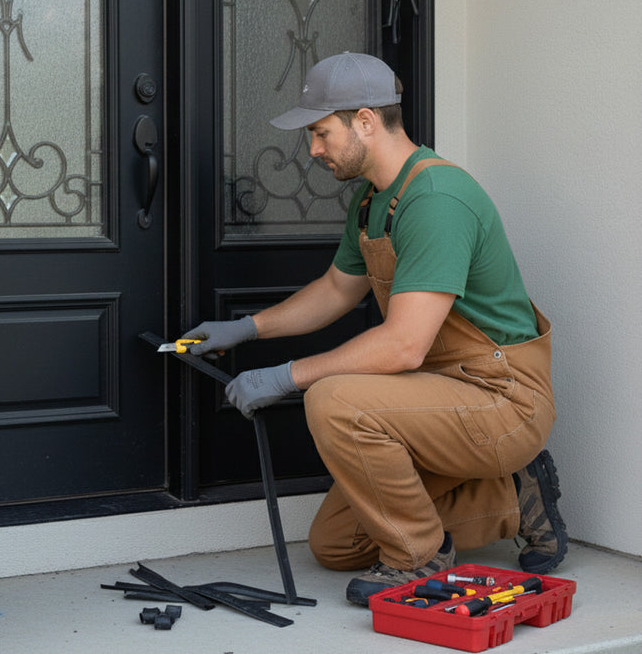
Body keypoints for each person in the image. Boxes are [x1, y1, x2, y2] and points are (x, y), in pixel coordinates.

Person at [182, 52, 567, 606]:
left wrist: (286, 376)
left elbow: (405, 345)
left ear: (365, 121)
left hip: (502, 399)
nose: (313, 150)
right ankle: (515, 499)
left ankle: (418, 556)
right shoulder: (372, 201)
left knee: (334, 400)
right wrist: (246, 329)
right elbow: (337, 290)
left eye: (320, 132)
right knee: (337, 543)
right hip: (439, 394)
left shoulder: (436, 200)